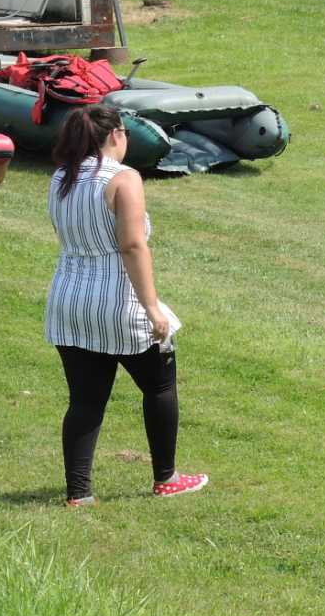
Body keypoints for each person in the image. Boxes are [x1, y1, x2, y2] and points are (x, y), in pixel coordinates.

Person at [46, 105, 207, 505]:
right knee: (160, 384)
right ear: (116, 134)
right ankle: (165, 477)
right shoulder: (123, 179)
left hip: (68, 297)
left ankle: (78, 494)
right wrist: (153, 308)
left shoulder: (61, 177)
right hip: (117, 301)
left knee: (85, 399)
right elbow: (132, 245)